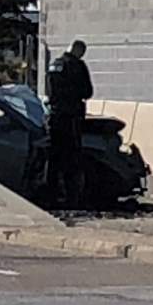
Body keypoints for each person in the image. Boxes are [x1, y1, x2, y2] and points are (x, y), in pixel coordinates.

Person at [46, 39, 94, 206]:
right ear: (79, 51)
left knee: (53, 158)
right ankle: (71, 197)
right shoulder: (77, 66)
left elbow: (49, 90)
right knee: (71, 158)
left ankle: (50, 194)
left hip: (54, 116)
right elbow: (87, 92)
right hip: (71, 117)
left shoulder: (54, 64)